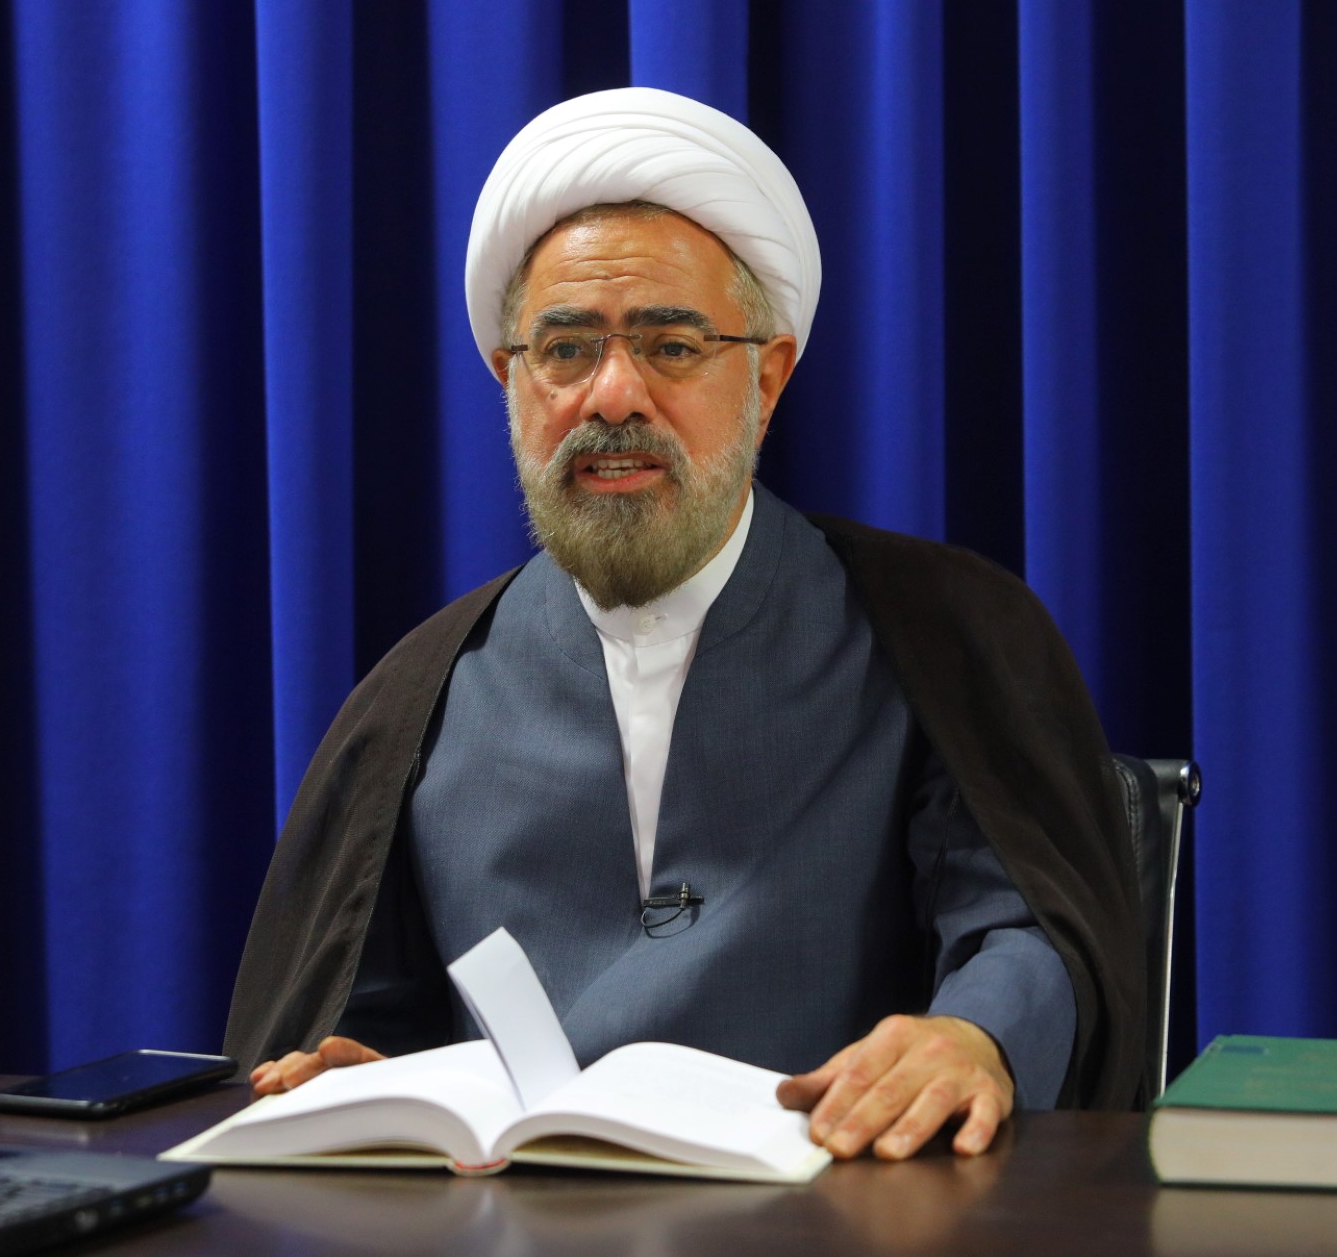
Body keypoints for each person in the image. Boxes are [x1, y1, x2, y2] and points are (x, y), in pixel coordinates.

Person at [225, 88, 1144, 1160]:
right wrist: (368, 1078)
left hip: (844, 1205)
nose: (613, 396)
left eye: (670, 346)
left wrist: (972, 1035)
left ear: (767, 376)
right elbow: (368, 1008)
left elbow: (1022, 933)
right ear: (510, 380)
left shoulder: (937, 636)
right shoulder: (420, 697)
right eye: (566, 350)